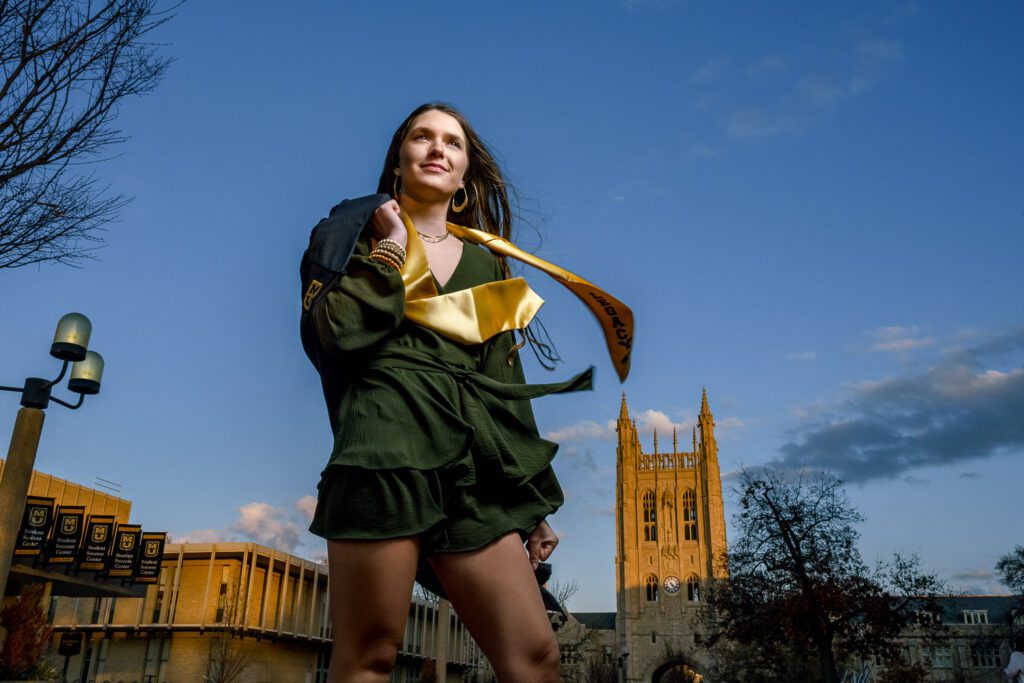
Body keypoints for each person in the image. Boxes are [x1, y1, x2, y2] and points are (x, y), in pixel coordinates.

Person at [304, 102, 629, 683]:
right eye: (421, 137)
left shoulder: (488, 264)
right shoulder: (350, 232)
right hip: (383, 448)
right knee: (368, 657)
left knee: (534, 657)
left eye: (452, 143)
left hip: (471, 465)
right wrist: (390, 249)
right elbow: (335, 334)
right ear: (398, 161)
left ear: (463, 176)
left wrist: (530, 506)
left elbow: (505, 387)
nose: (437, 148)